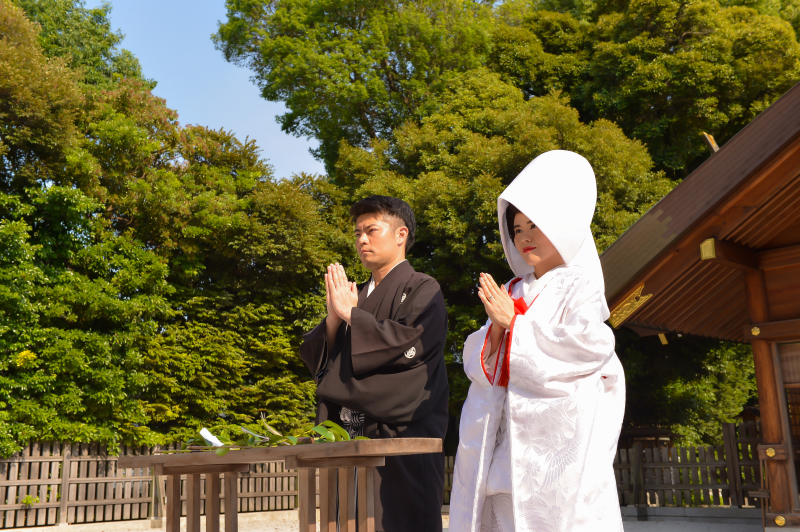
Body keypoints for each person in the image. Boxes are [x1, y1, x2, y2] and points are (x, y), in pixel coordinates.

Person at [449, 150, 626, 532]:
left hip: (555, 443)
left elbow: (590, 348)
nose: (524, 237)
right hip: (503, 435)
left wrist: (515, 323)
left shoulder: (581, 286)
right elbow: (481, 365)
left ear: (561, 226)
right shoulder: (512, 288)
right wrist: (496, 329)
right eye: (516, 230)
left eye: (535, 225)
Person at [299, 195, 449, 532]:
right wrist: (334, 319)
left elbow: (410, 346)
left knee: (397, 519)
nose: (362, 240)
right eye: (357, 233)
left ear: (401, 234)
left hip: (400, 432)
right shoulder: (356, 294)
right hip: (349, 432)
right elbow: (323, 363)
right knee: (348, 520)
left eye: (371, 230)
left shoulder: (423, 288)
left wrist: (351, 314)